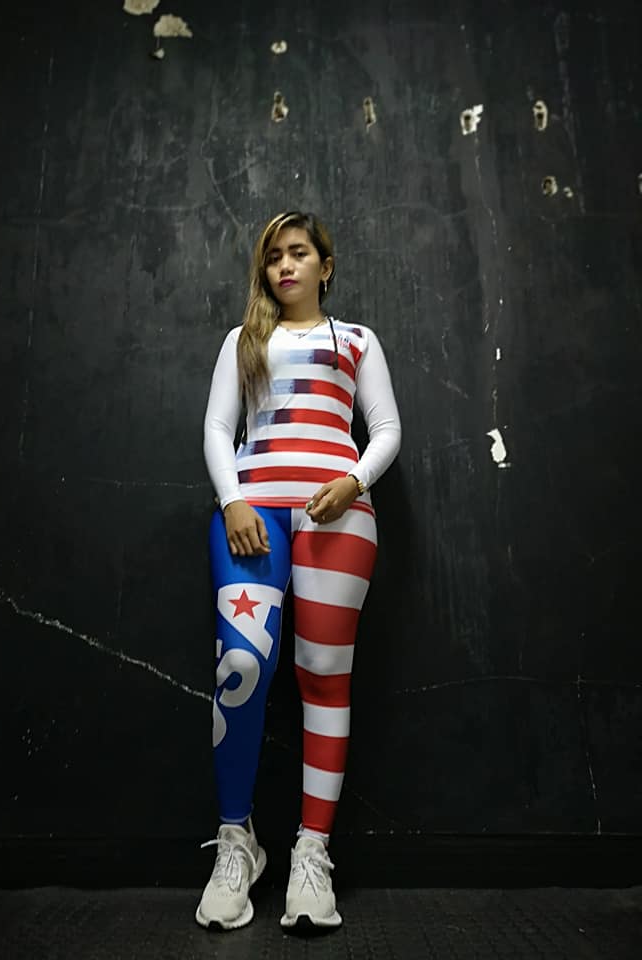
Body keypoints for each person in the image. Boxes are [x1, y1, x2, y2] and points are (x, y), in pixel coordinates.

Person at [197, 211, 401, 931]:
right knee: (241, 667)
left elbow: (386, 429)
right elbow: (218, 428)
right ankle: (237, 842)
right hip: (251, 516)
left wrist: (353, 481)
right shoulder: (243, 339)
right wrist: (232, 500)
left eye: (299, 253)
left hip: (337, 517)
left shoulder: (357, 339)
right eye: (274, 256)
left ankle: (312, 854)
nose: (285, 265)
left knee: (323, 673)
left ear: (325, 265)